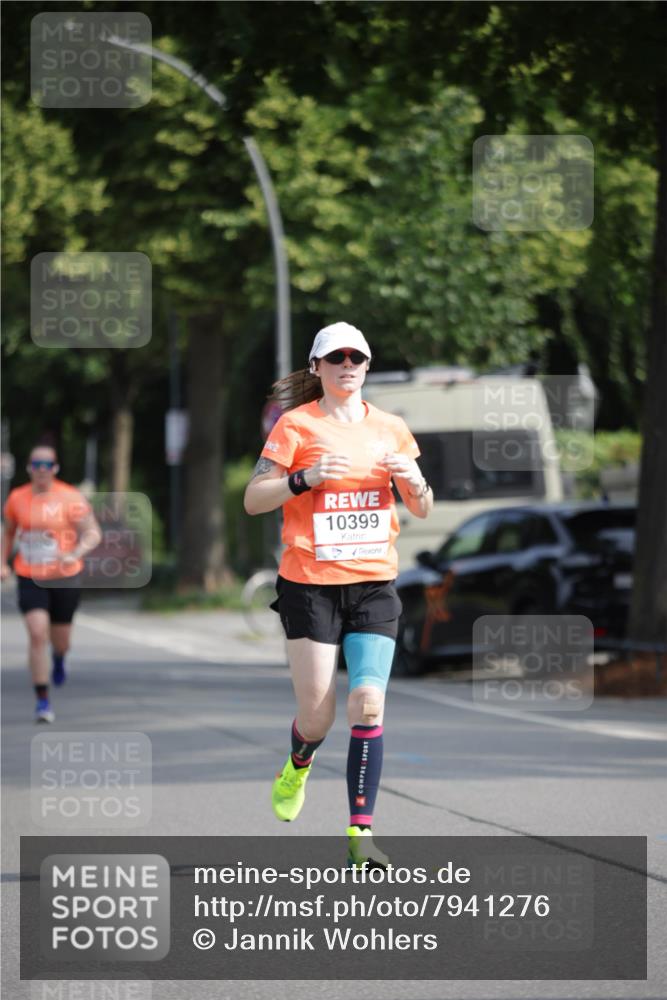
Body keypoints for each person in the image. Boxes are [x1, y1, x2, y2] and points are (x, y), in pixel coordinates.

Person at [244, 322, 433, 868]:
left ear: (367, 366)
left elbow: (421, 506)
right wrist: (303, 480)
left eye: (357, 356)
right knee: (319, 715)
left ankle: (360, 832)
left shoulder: (392, 429)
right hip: (310, 585)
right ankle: (298, 761)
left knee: (368, 703)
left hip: (374, 582)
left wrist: (412, 482)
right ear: (317, 368)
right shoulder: (295, 427)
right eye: (336, 357)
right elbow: (255, 499)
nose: (347, 364)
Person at [1, 445, 102, 723]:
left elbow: (92, 532)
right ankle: (42, 701)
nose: (42, 469)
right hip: (29, 574)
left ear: (55, 468)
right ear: (29, 468)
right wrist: (2, 562)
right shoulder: (16, 498)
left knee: (61, 640)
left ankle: (59, 657)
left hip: (65, 576)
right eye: (37, 464)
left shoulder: (70, 497)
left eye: (47, 464)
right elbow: (8, 532)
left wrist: (75, 553)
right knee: (36, 634)